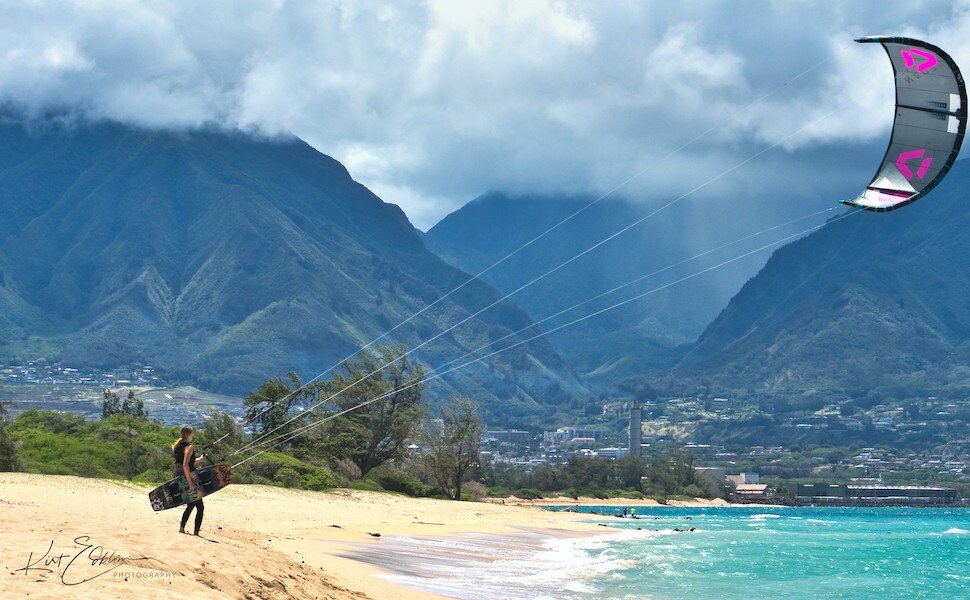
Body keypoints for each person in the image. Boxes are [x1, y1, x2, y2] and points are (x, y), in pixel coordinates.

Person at [172, 425, 207, 535]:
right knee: (200, 507)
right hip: (187, 478)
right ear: (189, 435)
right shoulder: (189, 447)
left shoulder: (178, 446)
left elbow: (185, 462)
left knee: (191, 504)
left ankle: (182, 528)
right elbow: (185, 465)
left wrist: (200, 459)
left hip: (179, 477)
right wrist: (191, 483)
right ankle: (196, 532)